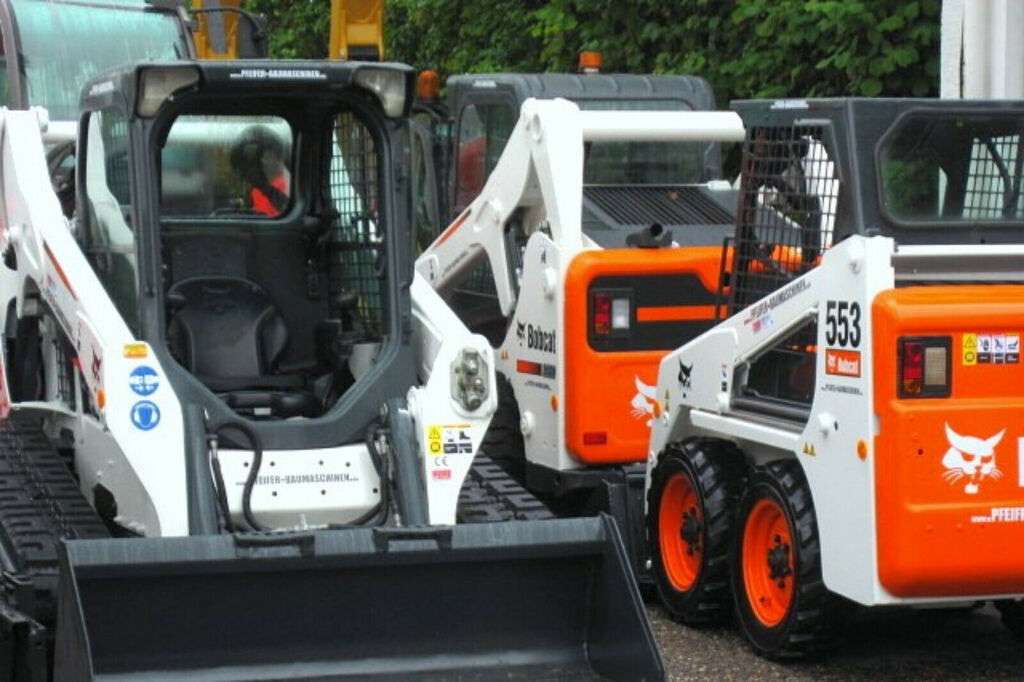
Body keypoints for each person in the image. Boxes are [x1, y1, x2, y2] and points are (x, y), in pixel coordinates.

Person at [230, 125, 291, 217]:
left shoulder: (289, 185)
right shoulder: (256, 190)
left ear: (277, 155)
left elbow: (287, 214)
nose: (261, 161)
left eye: (264, 156)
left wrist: (265, 188)